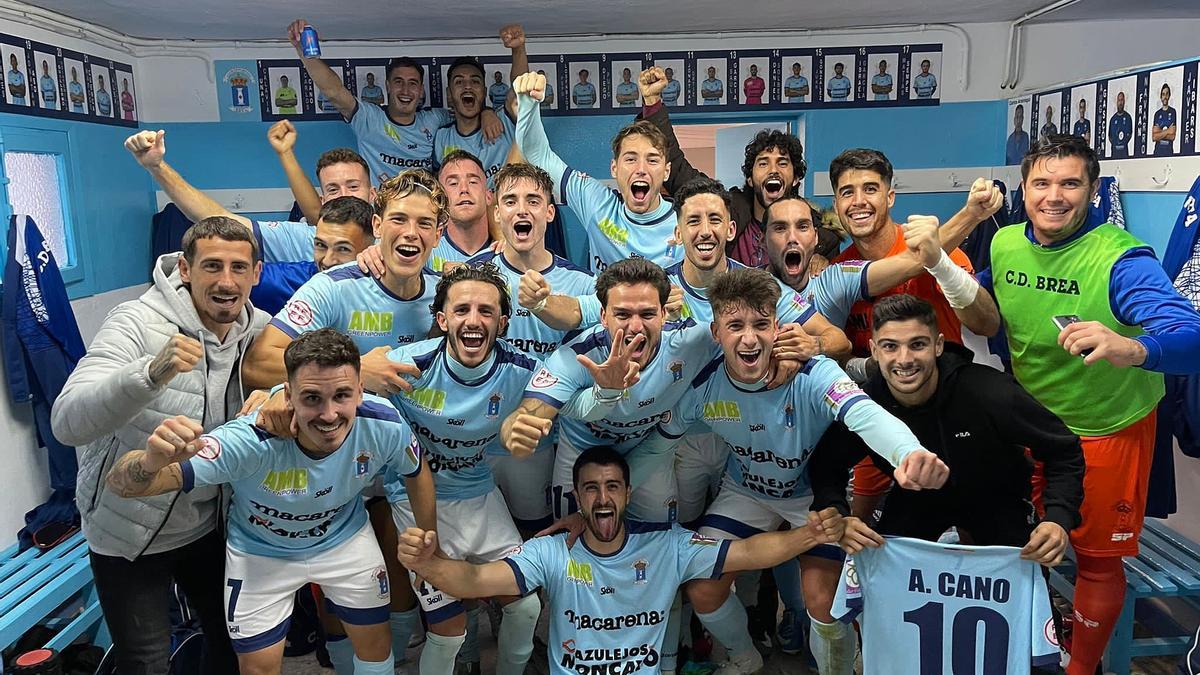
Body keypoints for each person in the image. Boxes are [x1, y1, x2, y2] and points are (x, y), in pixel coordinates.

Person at [632, 268, 949, 675]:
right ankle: (744, 657)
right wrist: (607, 498)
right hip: (746, 492)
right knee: (704, 588)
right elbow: (656, 447)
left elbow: (866, 415)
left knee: (822, 602)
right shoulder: (702, 387)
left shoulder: (812, 372)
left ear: (778, 326)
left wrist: (907, 453)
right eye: (735, 326)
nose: (750, 338)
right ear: (715, 332)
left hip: (812, 497)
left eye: (761, 324)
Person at [980, 134, 1200, 675]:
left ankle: (1081, 671)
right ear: (1023, 189)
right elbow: (990, 297)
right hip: (1033, 423)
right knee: (1025, 536)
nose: (1054, 196)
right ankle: (1033, 640)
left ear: (1093, 189)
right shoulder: (1006, 242)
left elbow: (1191, 334)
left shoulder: (1121, 258)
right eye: (1042, 183)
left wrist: (1132, 346)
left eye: (1070, 183)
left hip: (1108, 428)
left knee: (1097, 561)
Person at [106, 328, 435, 675]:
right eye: (311, 398)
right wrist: (149, 462)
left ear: (360, 392)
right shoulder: (249, 440)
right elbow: (124, 485)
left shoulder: (383, 424)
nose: (328, 414)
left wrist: (431, 539)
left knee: (374, 649)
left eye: (342, 395)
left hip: (344, 540)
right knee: (257, 668)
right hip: (260, 553)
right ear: (288, 395)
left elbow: (417, 469)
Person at [396, 447, 847, 675]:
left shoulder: (667, 545)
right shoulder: (553, 550)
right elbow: (477, 579)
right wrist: (430, 564)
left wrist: (810, 534)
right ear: (578, 498)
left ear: (628, 495)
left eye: (613, 486)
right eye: (591, 488)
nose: (603, 496)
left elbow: (748, 552)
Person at [50, 217, 266, 674]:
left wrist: (276, 393)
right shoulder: (136, 321)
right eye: (212, 266)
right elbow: (67, 422)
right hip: (127, 528)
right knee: (146, 662)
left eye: (238, 267)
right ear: (185, 270)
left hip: (211, 524)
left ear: (256, 274)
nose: (226, 281)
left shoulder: (259, 332)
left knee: (232, 645)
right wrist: (148, 374)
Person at [810, 293, 1084, 567]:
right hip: (915, 500)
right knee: (885, 570)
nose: (904, 359)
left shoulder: (990, 392)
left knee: (1027, 570)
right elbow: (826, 462)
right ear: (873, 350)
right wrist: (837, 511)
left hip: (997, 496)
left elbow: (1063, 448)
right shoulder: (866, 406)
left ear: (938, 345)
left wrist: (1058, 518)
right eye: (890, 346)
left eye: (917, 344)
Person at [382, 265, 542, 675]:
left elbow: (575, 392)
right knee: (449, 630)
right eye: (462, 310)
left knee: (526, 606)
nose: (473, 320)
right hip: (415, 501)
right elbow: (332, 385)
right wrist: (272, 395)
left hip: (480, 493)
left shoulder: (523, 369)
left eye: (486, 312)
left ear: (502, 323)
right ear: (442, 320)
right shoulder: (406, 366)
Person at [468, 163, 596, 532]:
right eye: (510, 200)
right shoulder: (471, 278)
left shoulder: (582, 284)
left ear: (550, 212)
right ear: (496, 212)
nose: (522, 209)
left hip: (547, 445)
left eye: (533, 200)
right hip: (479, 440)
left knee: (537, 536)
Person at [124, 127, 377, 312]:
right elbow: (217, 218)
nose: (344, 195)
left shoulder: (398, 242)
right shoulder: (302, 237)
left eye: (353, 186)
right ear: (322, 200)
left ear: (373, 193)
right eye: (333, 189)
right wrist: (156, 167)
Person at [637, 66, 841, 267]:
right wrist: (653, 103)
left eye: (782, 162)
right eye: (763, 163)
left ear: (796, 177)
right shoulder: (728, 210)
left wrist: (818, 262)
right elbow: (678, 169)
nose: (773, 169)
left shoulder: (822, 238)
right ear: (750, 178)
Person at [288, 19, 503, 181]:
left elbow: (465, 111)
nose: (406, 90)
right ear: (388, 87)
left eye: (413, 84)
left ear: (421, 91)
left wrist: (487, 112)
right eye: (399, 82)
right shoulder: (369, 119)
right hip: (382, 215)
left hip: (422, 216)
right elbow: (334, 91)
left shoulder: (434, 119)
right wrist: (303, 51)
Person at [515, 70, 680, 271]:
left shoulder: (685, 219)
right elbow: (537, 154)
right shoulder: (597, 203)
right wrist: (528, 105)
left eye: (652, 160)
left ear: (666, 171)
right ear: (614, 168)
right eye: (630, 159)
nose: (641, 169)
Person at [763, 192, 998, 332]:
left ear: (815, 237)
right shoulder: (748, 286)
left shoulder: (836, 277)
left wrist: (971, 214)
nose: (792, 237)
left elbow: (913, 261)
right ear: (763, 239)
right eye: (780, 228)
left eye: (802, 227)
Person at [433, 26, 527, 190]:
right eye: (459, 82)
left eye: (475, 81)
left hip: (505, 213)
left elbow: (521, 93)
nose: (467, 86)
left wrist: (518, 49)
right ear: (449, 94)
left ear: (483, 92)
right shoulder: (441, 137)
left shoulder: (504, 121)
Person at [429, 149, 497, 271]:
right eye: (453, 183)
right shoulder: (427, 251)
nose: (464, 189)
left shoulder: (506, 253)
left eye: (473, 182)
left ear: (488, 196)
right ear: (440, 200)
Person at [1152, 82, 1178, 157]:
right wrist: (1168, 131)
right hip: (1157, 152)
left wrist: (1160, 133)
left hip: (1168, 152)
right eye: (1163, 94)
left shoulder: (1173, 112)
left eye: (1167, 94)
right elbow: (1154, 137)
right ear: (1161, 97)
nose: (1165, 97)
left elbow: (1172, 136)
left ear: (1169, 96)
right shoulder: (1157, 114)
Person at [1108, 91, 1133, 158]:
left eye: (1122, 100)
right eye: (1119, 100)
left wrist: (1122, 143)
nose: (1120, 103)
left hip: (1124, 153)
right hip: (1114, 153)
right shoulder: (1113, 119)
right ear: (1116, 102)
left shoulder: (1128, 117)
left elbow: (1130, 135)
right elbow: (1110, 137)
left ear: (1124, 101)